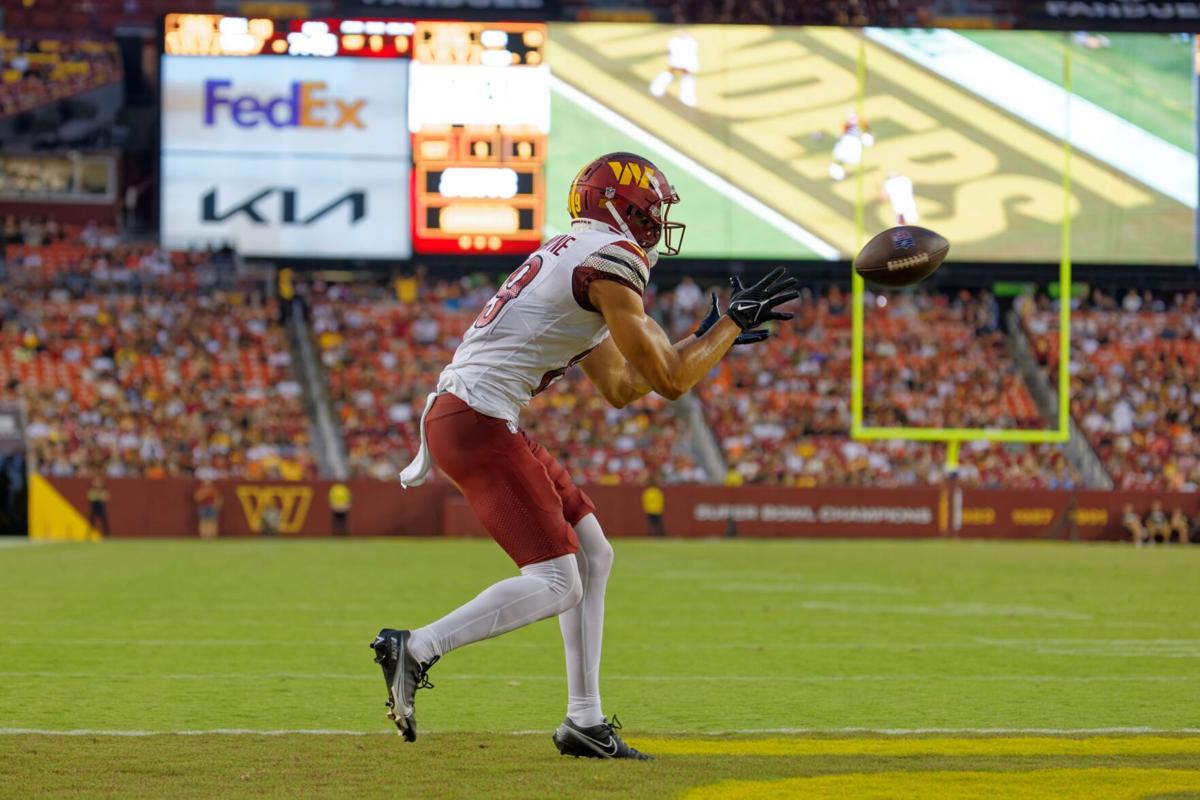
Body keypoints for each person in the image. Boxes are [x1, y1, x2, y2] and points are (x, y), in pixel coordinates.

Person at [371, 151, 794, 759]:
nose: (656, 226)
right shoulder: (607, 263)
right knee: (555, 581)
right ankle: (415, 648)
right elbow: (672, 382)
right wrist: (725, 329)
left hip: (476, 416)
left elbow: (623, 387)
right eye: (651, 212)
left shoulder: (576, 255)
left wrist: (709, 335)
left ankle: (584, 721)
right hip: (477, 420)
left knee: (593, 553)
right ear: (619, 208)